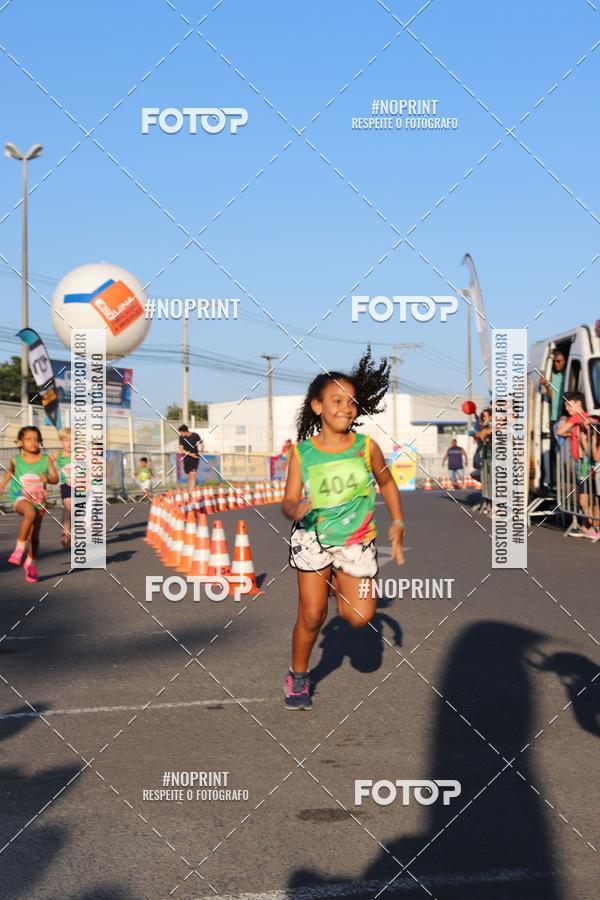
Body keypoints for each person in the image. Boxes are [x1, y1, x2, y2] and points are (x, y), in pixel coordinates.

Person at [281, 348, 406, 710]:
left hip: (355, 542)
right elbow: (288, 501)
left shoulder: (367, 448)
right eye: (336, 401)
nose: (346, 408)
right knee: (312, 614)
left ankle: (338, 581)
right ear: (318, 406)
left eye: (351, 402)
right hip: (313, 539)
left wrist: (398, 521)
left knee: (359, 616)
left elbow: (387, 483)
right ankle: (299, 675)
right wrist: (295, 507)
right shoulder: (302, 453)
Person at [0, 426, 58, 583]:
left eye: (36, 439)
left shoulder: (45, 459)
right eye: (28, 439)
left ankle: (31, 564)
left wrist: (47, 479)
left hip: (39, 501)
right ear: (20, 442)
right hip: (19, 497)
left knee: (34, 536)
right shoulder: (15, 460)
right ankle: (19, 549)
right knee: (29, 512)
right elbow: (9, 474)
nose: (33, 442)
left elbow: (55, 478)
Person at [556, 391, 600, 537]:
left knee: (586, 498)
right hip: (583, 462)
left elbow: (559, 430)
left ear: (577, 403)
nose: (567, 408)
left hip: (585, 463)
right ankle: (588, 526)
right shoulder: (582, 419)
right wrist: (572, 433)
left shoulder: (579, 417)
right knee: (588, 497)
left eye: (568, 405)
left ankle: (595, 527)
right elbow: (563, 433)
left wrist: (570, 424)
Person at [539, 349, 567, 488]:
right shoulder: (554, 377)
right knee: (552, 450)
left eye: (559, 361)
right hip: (553, 418)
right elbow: (550, 397)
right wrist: (547, 385)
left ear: (565, 361)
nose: (556, 364)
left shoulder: (568, 376)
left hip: (564, 418)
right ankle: (553, 480)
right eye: (555, 361)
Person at [50, 427, 72, 549]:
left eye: (73, 440)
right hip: (66, 486)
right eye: (66, 440)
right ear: (61, 441)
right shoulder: (58, 454)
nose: (69, 443)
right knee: (68, 506)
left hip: (82, 487)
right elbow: (45, 461)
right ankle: (65, 533)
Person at [178, 425, 204, 489]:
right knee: (189, 476)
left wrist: (201, 451)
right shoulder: (181, 438)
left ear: (185, 431)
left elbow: (202, 444)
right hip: (186, 459)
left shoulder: (195, 435)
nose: (181, 434)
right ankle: (190, 490)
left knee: (192, 476)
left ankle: (191, 492)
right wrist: (190, 454)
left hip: (195, 458)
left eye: (181, 433)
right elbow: (181, 449)